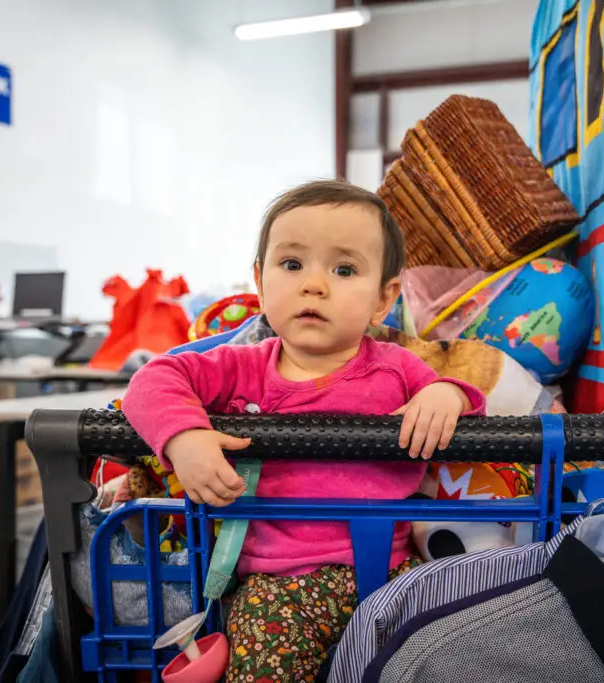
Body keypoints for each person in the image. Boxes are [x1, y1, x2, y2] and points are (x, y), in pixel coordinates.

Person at [122, 179, 486, 682]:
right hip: (275, 586)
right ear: (260, 280)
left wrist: (447, 396)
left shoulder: (399, 370)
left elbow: (472, 411)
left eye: (343, 269)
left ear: (384, 299)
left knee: (453, 660)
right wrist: (184, 437)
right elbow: (151, 380)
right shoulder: (240, 368)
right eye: (291, 265)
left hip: (393, 578)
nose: (314, 285)